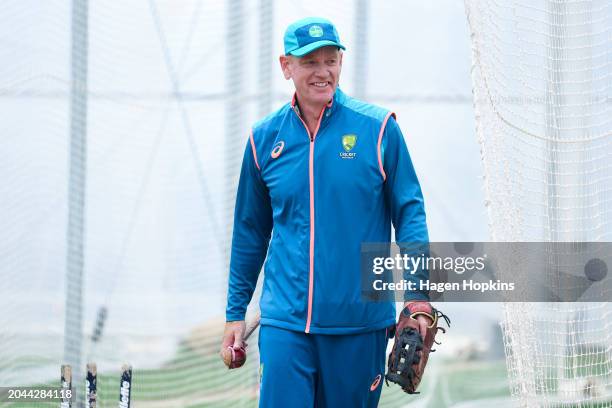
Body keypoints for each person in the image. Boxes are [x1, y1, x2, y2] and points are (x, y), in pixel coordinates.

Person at [221, 16, 432, 407]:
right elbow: (250, 231)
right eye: (309, 62)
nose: (323, 72)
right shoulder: (264, 139)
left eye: (330, 60)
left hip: (359, 323)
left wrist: (417, 295)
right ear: (286, 66)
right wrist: (236, 313)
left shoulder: (379, 129)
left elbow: (410, 214)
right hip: (286, 323)